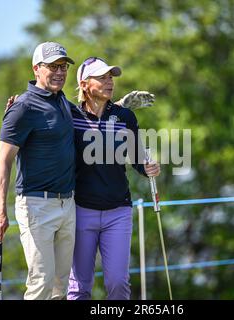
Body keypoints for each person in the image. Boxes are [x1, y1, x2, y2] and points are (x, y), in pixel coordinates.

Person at [0, 41, 155, 300]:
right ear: (36, 69)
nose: (59, 72)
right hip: (50, 205)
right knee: (49, 284)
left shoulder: (64, 105)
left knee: (63, 287)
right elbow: (4, 160)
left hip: (73, 206)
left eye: (62, 67)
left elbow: (102, 122)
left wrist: (122, 107)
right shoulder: (42, 109)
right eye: (52, 66)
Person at [66, 57, 160, 300]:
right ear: (85, 85)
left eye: (111, 77)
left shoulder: (124, 116)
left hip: (118, 211)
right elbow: (41, 106)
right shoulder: (70, 115)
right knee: (79, 287)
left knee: (118, 283)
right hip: (80, 211)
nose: (109, 82)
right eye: (102, 78)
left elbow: (137, 157)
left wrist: (146, 167)